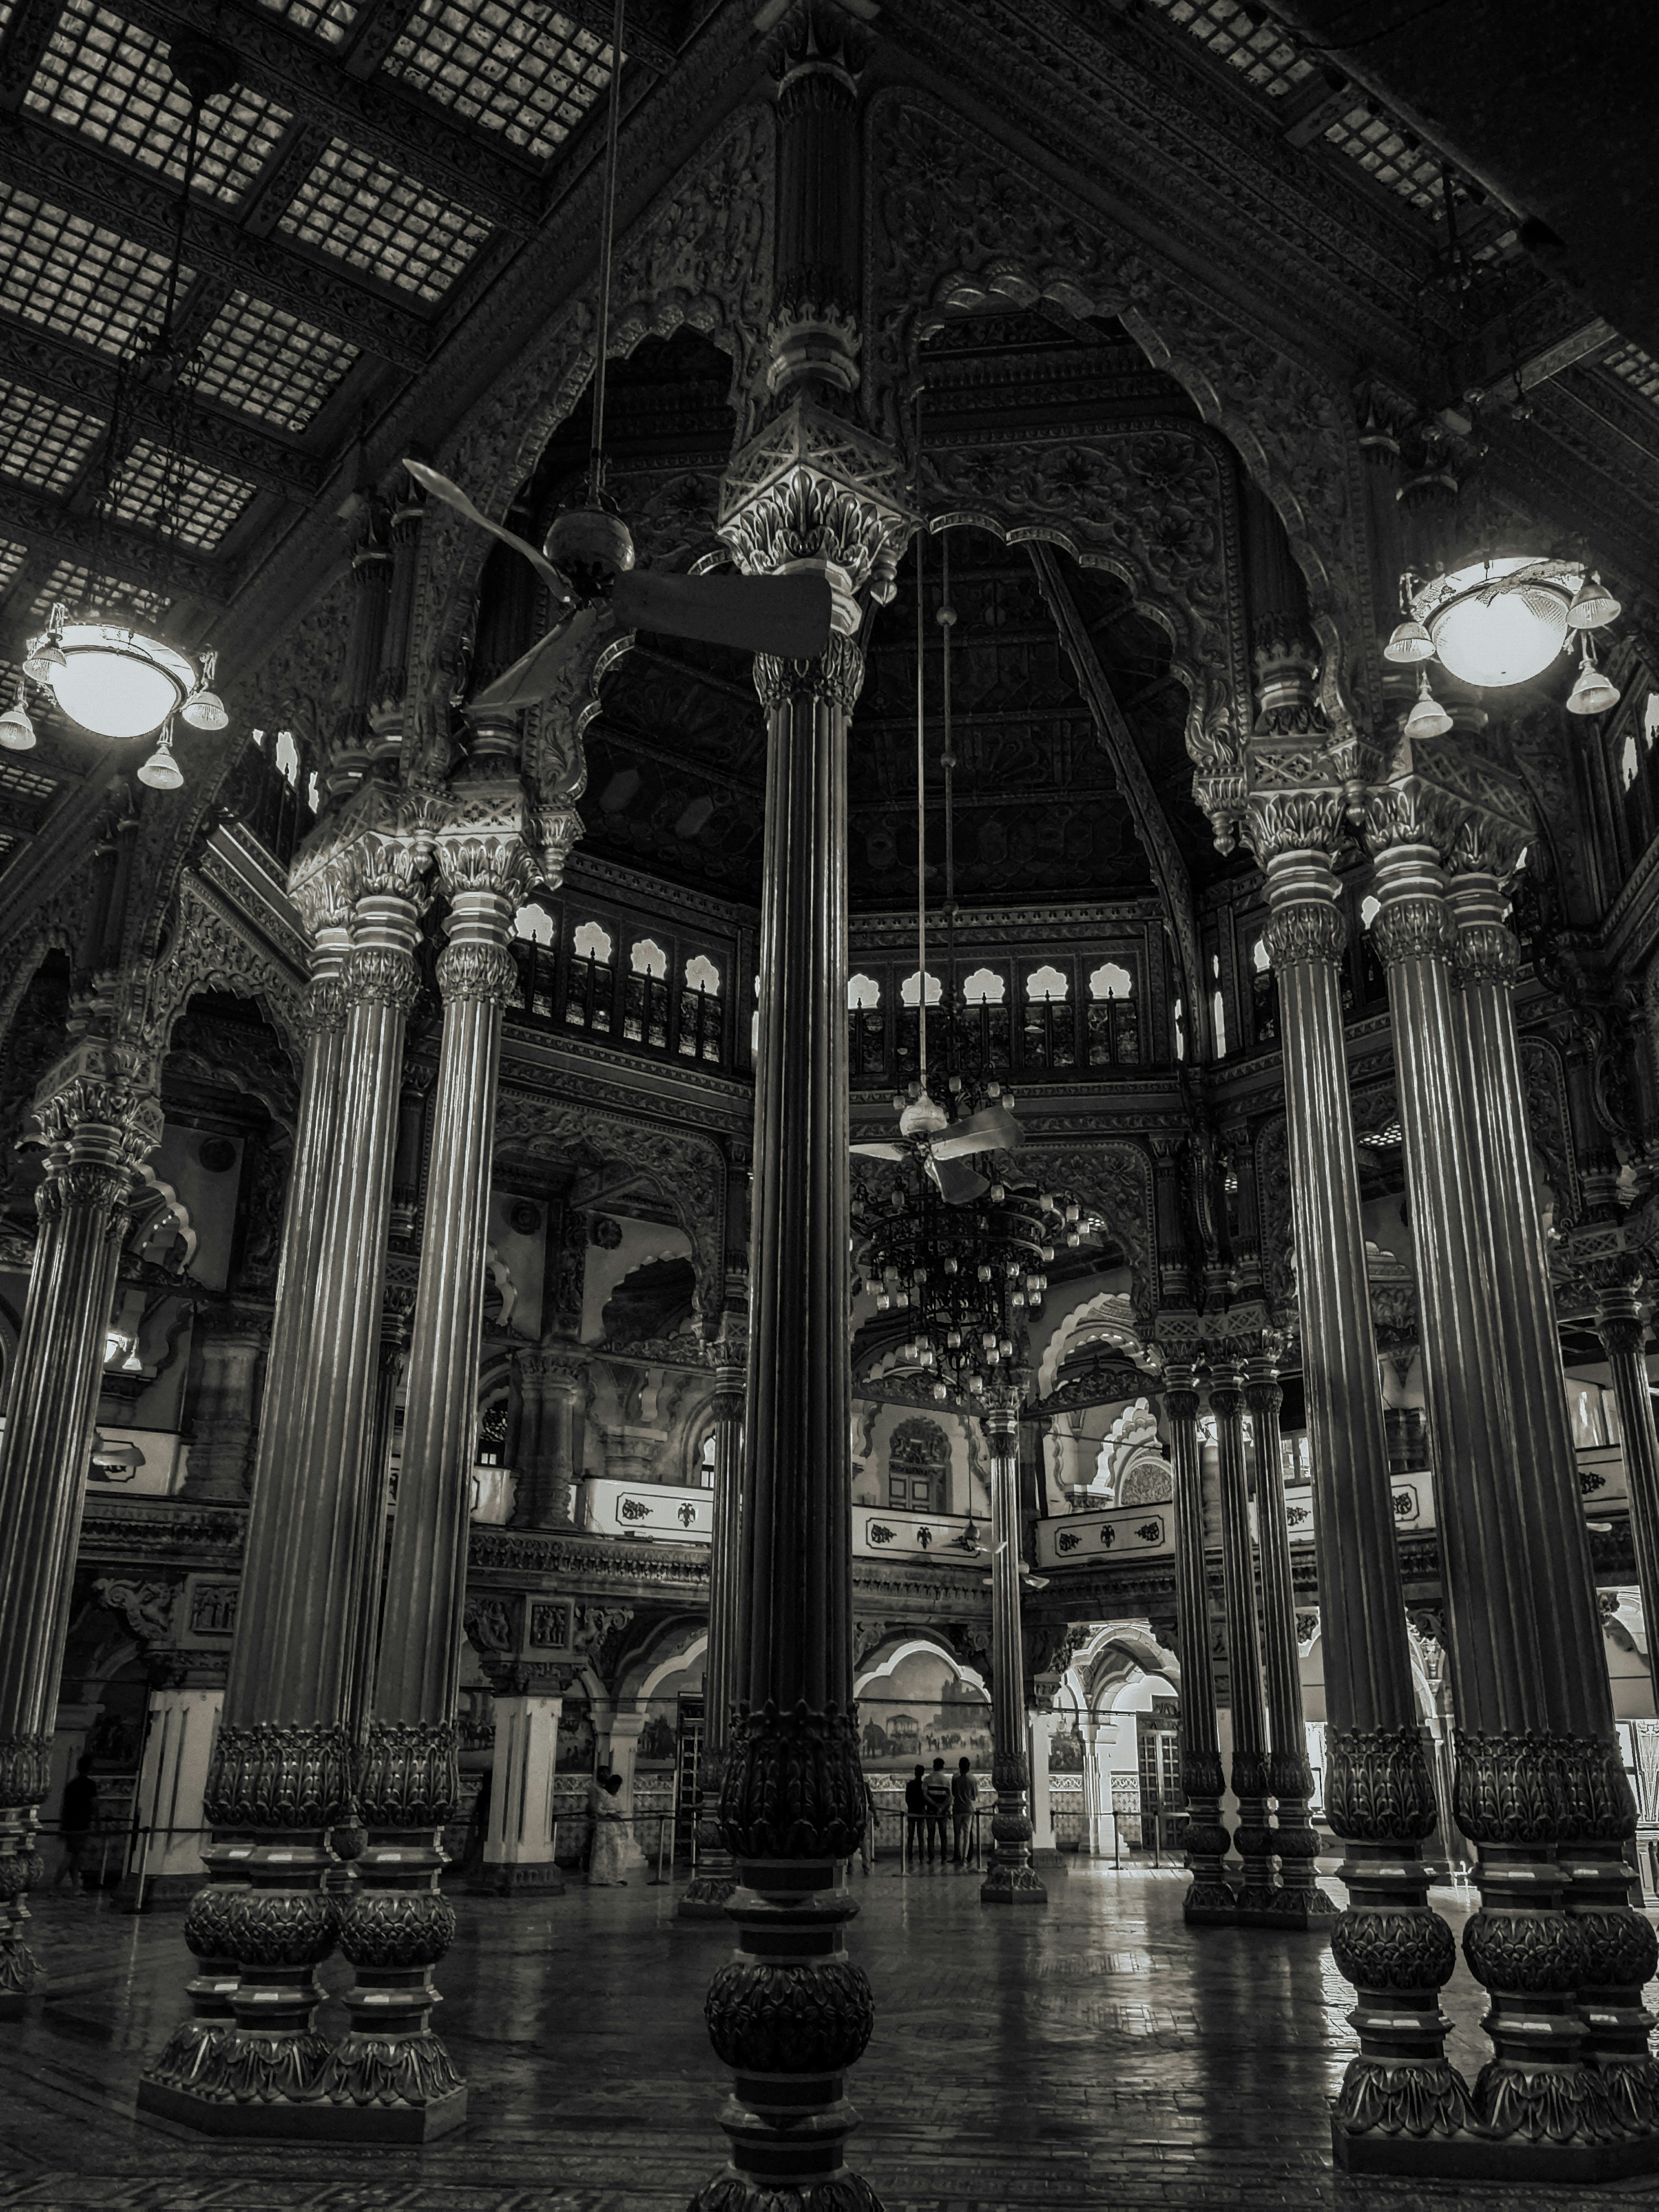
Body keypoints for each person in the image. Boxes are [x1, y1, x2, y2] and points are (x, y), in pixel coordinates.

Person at [55, 1755, 98, 1894]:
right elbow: (94, 1804)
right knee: (70, 1856)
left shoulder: (71, 1785)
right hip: (81, 1825)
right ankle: (54, 1887)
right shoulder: (90, 1785)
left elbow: (65, 1806)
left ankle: (76, 1887)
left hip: (69, 1823)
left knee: (74, 1856)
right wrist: (98, 1821)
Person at [587, 1768, 632, 1885]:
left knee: (619, 1850)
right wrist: (608, 1814)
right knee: (604, 1852)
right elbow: (597, 1809)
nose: (616, 1789)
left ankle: (617, 1876)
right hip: (605, 1825)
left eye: (618, 1786)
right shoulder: (603, 1794)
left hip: (616, 1825)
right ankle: (601, 1878)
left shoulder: (615, 1796)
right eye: (614, 1786)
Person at [922, 1756, 952, 1864]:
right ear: (942, 1767)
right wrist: (942, 1807)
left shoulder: (928, 1779)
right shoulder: (946, 1780)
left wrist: (934, 1804)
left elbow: (925, 1795)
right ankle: (944, 1857)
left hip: (931, 1810)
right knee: (943, 1834)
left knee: (931, 1834)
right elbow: (949, 1796)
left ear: (934, 1766)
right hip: (943, 1811)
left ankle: (931, 1857)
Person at [951, 1755, 978, 1868]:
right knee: (967, 1834)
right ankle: (964, 1858)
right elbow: (975, 1796)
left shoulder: (956, 1780)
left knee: (958, 1834)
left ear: (959, 1767)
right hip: (968, 1809)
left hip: (957, 1808)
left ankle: (958, 1855)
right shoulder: (972, 1780)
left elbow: (953, 1793)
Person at [903, 1763, 927, 1869]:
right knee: (921, 1836)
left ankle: (910, 1856)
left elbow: (907, 1799)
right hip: (921, 1812)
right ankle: (921, 1856)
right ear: (923, 1774)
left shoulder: (910, 1785)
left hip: (912, 1811)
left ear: (915, 1773)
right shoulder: (923, 1785)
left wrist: (911, 1806)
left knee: (911, 1836)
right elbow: (925, 1799)